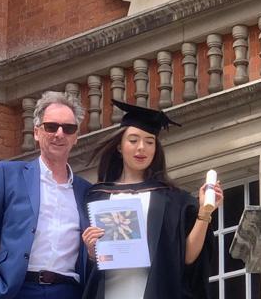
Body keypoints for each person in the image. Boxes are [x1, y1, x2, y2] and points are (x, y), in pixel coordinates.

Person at [81, 100, 223, 299]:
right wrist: (89, 249)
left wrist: (204, 213)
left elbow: (187, 258)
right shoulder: (97, 197)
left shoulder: (171, 199)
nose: (142, 148)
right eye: (133, 140)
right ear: (120, 147)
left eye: (149, 142)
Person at [0, 91, 92, 299]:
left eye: (69, 128)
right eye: (51, 126)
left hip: (68, 291)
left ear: (76, 138)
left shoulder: (86, 192)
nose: (59, 134)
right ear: (37, 132)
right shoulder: (7, 175)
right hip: (17, 289)